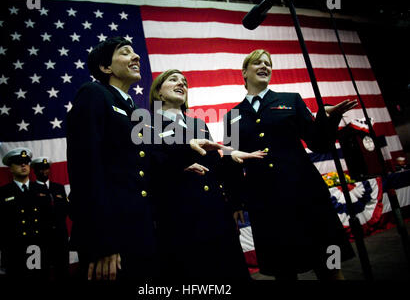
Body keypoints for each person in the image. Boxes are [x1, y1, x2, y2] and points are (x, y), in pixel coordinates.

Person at [66, 37, 228, 281]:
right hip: (112, 236)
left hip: (140, 230)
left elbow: (148, 163)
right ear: (106, 67)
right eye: (125, 52)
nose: (136, 56)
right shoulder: (94, 94)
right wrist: (102, 241)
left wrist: (187, 152)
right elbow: (85, 170)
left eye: (135, 52)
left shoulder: (132, 110)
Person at [223, 49, 357, 280]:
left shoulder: (290, 100)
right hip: (266, 202)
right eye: (258, 63)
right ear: (244, 72)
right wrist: (235, 202)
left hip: (305, 193)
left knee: (329, 264)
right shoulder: (232, 116)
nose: (265, 66)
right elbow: (231, 160)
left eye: (268, 63)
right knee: (283, 270)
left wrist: (329, 118)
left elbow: (318, 143)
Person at [148, 69, 266, 280]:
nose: (181, 84)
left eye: (184, 82)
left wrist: (232, 158)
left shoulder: (198, 124)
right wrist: (178, 164)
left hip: (217, 214)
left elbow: (215, 167)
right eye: (173, 80)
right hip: (181, 219)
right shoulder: (147, 125)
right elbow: (151, 169)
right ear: (159, 92)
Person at [0, 148, 52, 279]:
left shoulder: (41, 189)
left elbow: (49, 219)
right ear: (10, 168)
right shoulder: (2, 193)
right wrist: (6, 247)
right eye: (18, 162)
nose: (23, 165)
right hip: (14, 251)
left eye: (26, 162)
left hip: (37, 249)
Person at [31, 157, 70, 280]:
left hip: (60, 237)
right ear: (35, 171)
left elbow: (65, 210)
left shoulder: (59, 187)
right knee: (41, 272)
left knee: (62, 271)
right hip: (40, 238)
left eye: (46, 168)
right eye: (40, 169)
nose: (44, 171)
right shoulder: (30, 189)